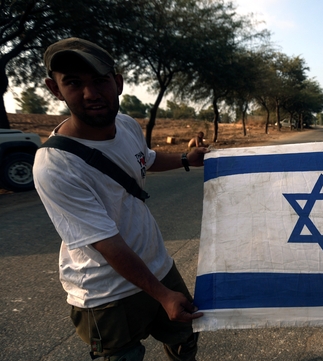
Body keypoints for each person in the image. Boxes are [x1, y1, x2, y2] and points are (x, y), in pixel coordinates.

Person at [33, 37, 208, 360]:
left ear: (118, 83)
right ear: (55, 89)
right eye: (73, 82)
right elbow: (107, 244)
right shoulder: (55, 166)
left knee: (186, 337)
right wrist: (163, 295)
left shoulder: (126, 125)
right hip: (106, 294)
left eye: (99, 80)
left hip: (158, 268)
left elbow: (146, 159)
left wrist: (186, 159)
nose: (90, 93)